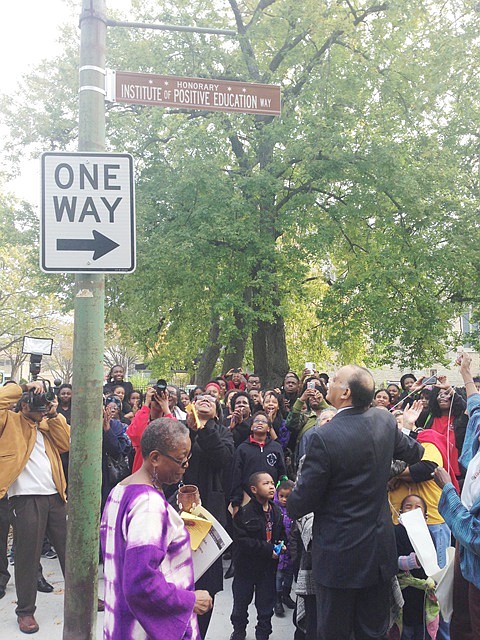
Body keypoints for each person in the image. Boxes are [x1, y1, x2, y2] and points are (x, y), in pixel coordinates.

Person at [287, 364, 424, 640]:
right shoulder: (385, 421)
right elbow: (415, 452)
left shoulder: (323, 437)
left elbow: (299, 505)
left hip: (339, 557)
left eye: (334, 380)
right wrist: (406, 428)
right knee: (372, 632)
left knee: (334, 632)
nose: (328, 383)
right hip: (378, 555)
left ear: (346, 393)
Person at [100, 418, 213, 640]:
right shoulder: (149, 506)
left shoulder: (120, 490)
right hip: (142, 630)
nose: (186, 466)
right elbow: (141, 583)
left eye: (188, 458)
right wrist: (190, 600)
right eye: (181, 460)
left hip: (121, 622)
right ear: (155, 458)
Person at [0, 380, 70, 634]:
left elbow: (67, 443)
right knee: (27, 557)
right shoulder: (8, 421)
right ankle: (26, 611)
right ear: (24, 404)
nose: (40, 408)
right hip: (25, 498)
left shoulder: (45, 424)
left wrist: (53, 415)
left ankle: (80, 598)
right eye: (36, 404)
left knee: (69, 552)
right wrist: (23, 387)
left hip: (55, 496)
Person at [433, 352, 480, 639]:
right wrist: (465, 373)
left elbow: (475, 536)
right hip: (467, 564)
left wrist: (448, 489)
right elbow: (475, 409)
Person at [181, 393, 234, 639]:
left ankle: (199, 634)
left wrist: (203, 428)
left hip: (209, 515)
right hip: (178, 512)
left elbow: (222, 458)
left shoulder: (222, 433)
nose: (205, 399)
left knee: (207, 582)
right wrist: (190, 430)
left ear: (217, 412)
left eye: (211, 400)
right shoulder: (181, 429)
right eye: (200, 397)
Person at [229, 472, 285, 640]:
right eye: (265, 483)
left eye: (272, 483)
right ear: (254, 489)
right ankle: (239, 631)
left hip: (267, 569)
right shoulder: (244, 514)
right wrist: (268, 550)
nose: (270, 486)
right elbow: (242, 541)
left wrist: (281, 546)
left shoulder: (276, 512)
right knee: (240, 604)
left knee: (266, 606)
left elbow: (281, 533)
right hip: (246, 568)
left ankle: (263, 634)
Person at [390, 494, 439, 640]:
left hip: (422, 592)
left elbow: (432, 563)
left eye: (418, 508)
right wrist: (412, 561)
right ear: (400, 513)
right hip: (403, 590)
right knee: (405, 630)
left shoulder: (428, 534)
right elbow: (392, 560)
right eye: (408, 507)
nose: (412, 510)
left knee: (421, 629)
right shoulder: (396, 532)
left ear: (425, 516)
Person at [229, 411, 287, 516]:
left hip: (271, 500)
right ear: (251, 427)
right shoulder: (243, 448)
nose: (260, 423)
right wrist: (236, 504)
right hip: (247, 499)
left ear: (269, 428)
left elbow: (282, 474)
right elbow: (236, 476)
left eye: (264, 421)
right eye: (256, 421)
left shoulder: (276, 448)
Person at [127, 386, 173, 473]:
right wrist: (146, 404)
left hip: (164, 473)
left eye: (163, 397)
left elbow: (175, 437)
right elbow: (135, 434)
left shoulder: (170, 420)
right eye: (155, 397)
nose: (158, 400)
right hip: (142, 473)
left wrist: (166, 409)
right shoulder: (142, 419)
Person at [273, 479, 295, 617]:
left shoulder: (295, 511)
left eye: (288, 497)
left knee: (289, 574)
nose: (284, 499)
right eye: (281, 496)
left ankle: (286, 595)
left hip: (292, 549)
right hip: (280, 548)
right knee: (279, 575)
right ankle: (277, 599)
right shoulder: (275, 510)